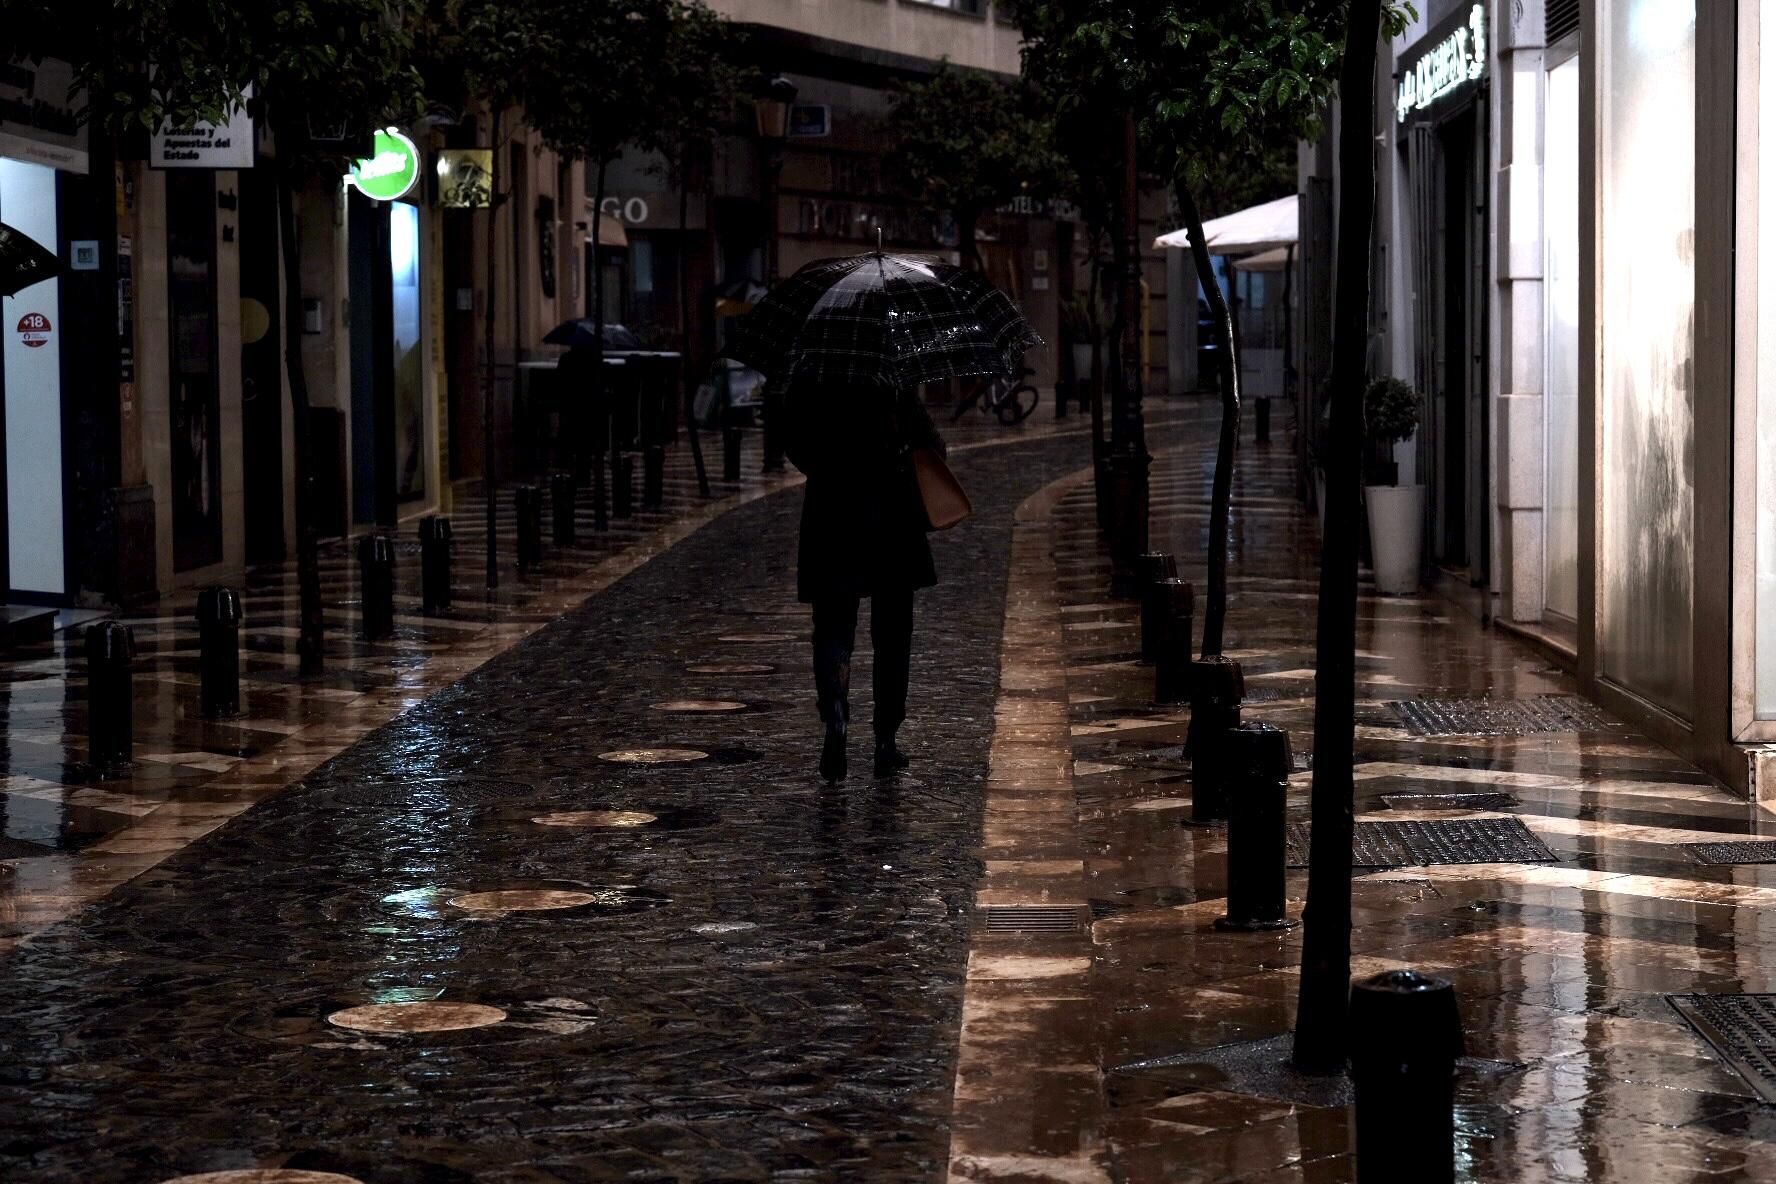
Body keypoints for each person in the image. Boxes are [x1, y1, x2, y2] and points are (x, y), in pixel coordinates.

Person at [788, 381, 946, 783]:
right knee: (893, 633)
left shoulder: (817, 375)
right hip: (891, 517)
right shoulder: (893, 375)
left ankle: (836, 715)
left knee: (832, 628)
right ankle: (885, 738)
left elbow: (795, 443)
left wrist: (829, 466)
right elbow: (932, 446)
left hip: (831, 514)